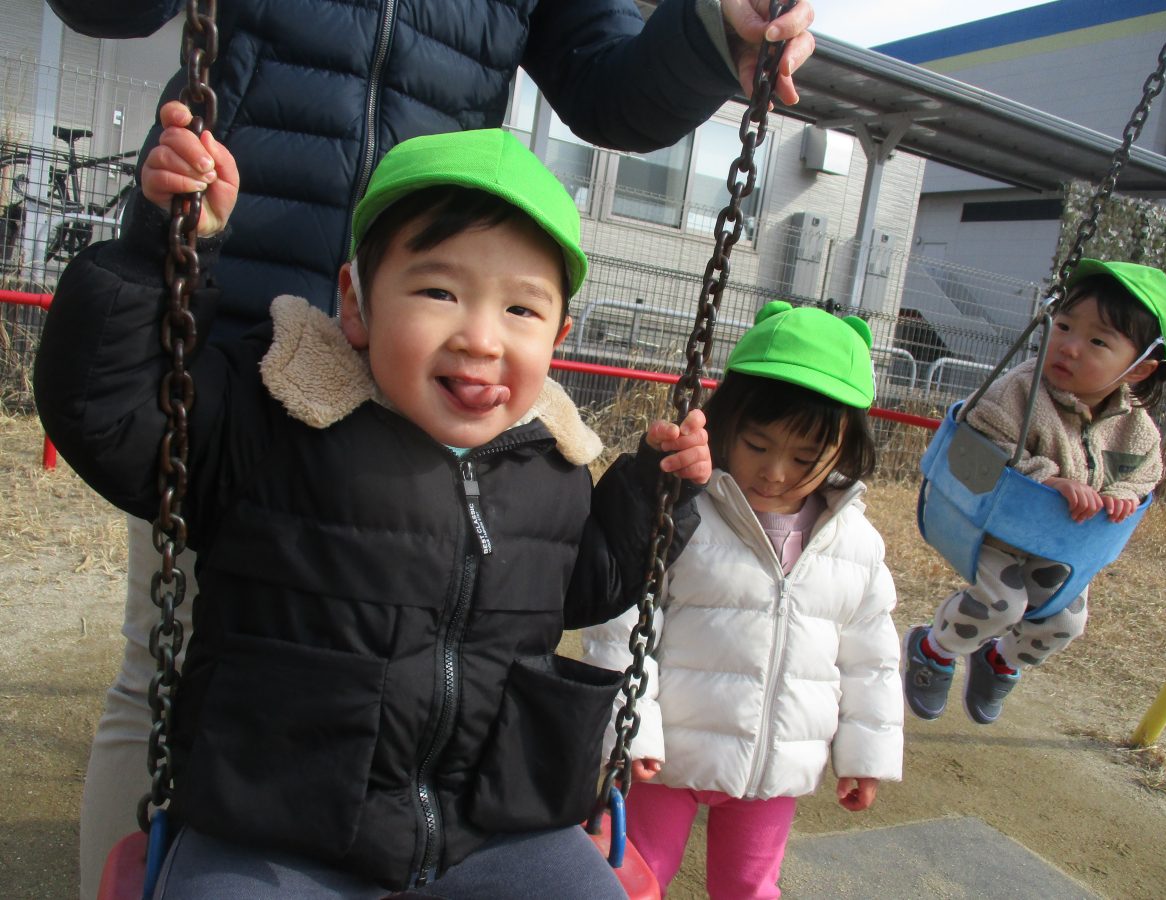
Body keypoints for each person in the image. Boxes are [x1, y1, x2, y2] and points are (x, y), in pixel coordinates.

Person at [44, 2, 817, 894]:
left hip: (484, 829)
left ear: (559, 335)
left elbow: (584, 583)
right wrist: (165, 249)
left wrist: (654, 491)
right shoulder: (269, 426)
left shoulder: (549, 460)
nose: (482, 338)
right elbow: (112, 417)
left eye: (521, 309)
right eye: (441, 294)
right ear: (355, 304)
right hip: (280, 830)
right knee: (157, 674)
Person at [581, 301, 904, 900]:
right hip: (671, 752)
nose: (775, 473)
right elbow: (627, 622)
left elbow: (872, 658)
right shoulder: (688, 510)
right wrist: (634, 731)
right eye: (757, 445)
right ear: (726, 423)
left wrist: (866, 755)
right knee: (635, 874)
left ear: (844, 449)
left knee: (750, 886)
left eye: (804, 458)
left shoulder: (853, 543)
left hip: (775, 762)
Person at [904, 259, 1166, 727]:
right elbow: (979, 436)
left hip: (1054, 545)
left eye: (1098, 341)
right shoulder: (1019, 391)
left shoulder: (1136, 429)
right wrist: (1044, 477)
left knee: (1066, 620)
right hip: (985, 527)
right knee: (1003, 604)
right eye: (1064, 326)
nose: (1069, 346)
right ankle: (934, 650)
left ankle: (999, 661)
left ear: (1139, 369)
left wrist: (1122, 491)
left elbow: (1147, 474)